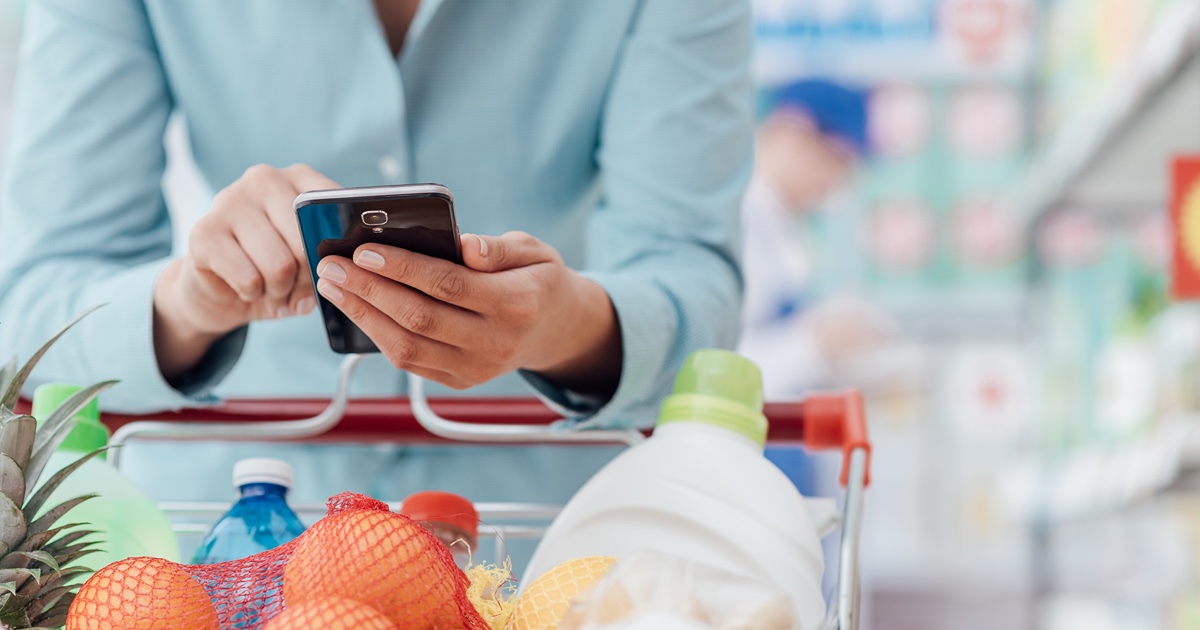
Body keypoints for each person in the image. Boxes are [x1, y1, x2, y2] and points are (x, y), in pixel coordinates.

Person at [0, 1, 754, 565]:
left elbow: (690, 276)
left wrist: (562, 327)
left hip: (543, 549)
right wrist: (190, 303)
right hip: (228, 551)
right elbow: (40, 301)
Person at [737, 79, 894, 401]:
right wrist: (816, 343)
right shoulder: (736, 221)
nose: (839, 183)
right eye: (837, 161)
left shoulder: (780, 228)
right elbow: (715, 368)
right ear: (794, 135)